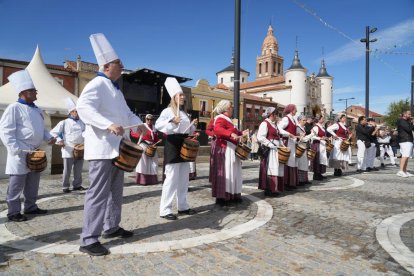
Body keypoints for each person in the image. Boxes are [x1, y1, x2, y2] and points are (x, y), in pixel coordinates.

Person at [76, 33, 143, 256]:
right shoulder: (96, 84)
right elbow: (84, 108)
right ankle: (88, 239)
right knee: (97, 193)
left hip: (117, 149)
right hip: (102, 149)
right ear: (106, 66)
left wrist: (139, 125)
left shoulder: (115, 89)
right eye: (118, 63)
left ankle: (111, 227)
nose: (122, 66)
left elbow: (126, 114)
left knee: (115, 192)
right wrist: (107, 124)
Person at [0, 70, 56, 222]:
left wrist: (49, 137)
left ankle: (31, 207)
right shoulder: (13, 108)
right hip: (20, 151)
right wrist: (14, 148)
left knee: (33, 181)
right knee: (17, 183)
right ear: (24, 92)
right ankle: (13, 212)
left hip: (35, 150)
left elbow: (41, 129)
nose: (36, 92)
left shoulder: (37, 109)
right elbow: (5, 130)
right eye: (33, 90)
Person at [155, 77, 198, 220]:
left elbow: (188, 131)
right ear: (174, 97)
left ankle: (183, 206)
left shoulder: (185, 113)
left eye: (183, 95)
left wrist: (193, 126)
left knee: (184, 178)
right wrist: (172, 121)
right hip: (173, 144)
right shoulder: (168, 111)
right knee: (171, 178)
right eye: (180, 95)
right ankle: (165, 210)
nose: (182, 97)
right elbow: (158, 125)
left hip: (184, 144)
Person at [211, 100, 249, 206]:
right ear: (227, 108)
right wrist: (231, 134)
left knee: (234, 172)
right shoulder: (220, 118)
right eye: (231, 106)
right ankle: (223, 197)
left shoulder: (229, 120)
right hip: (225, 148)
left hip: (233, 148)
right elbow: (217, 129)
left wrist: (242, 133)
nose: (232, 108)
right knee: (227, 172)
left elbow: (236, 133)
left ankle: (233, 195)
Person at [50, 98, 86, 193]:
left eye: (77, 111)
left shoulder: (83, 122)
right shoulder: (64, 122)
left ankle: (77, 185)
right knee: (67, 169)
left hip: (80, 148)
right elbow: (53, 133)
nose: (77, 113)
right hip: (68, 148)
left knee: (78, 169)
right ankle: (65, 186)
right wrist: (59, 140)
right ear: (70, 112)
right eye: (75, 111)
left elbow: (86, 133)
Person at [257, 107, 284, 196]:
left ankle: (275, 188)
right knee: (270, 169)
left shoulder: (275, 124)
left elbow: (278, 136)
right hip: (269, 150)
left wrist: (282, 144)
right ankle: (269, 189)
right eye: (275, 114)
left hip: (276, 149)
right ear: (271, 114)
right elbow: (260, 137)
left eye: (277, 114)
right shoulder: (265, 124)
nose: (276, 116)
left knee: (276, 168)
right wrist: (270, 144)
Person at [130, 114, 160, 185]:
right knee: (143, 163)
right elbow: (133, 133)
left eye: (151, 119)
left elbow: (155, 139)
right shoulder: (142, 126)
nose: (149, 121)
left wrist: (157, 141)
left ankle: (152, 180)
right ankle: (142, 180)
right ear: (145, 119)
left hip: (151, 146)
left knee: (154, 162)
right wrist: (137, 132)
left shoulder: (154, 128)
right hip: (143, 145)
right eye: (148, 119)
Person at [277, 104, 299, 190]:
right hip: (287, 142)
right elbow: (279, 128)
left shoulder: (293, 119)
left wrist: (297, 134)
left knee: (291, 160)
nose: (296, 111)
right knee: (287, 161)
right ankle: (286, 183)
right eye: (295, 109)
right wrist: (288, 134)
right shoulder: (286, 118)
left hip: (292, 142)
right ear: (291, 110)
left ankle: (290, 182)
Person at [296, 114, 313, 185]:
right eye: (304, 120)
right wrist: (311, 135)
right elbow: (302, 139)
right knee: (300, 163)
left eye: (305, 120)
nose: (305, 122)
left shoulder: (303, 128)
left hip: (304, 147)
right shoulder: (297, 128)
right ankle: (300, 180)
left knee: (304, 163)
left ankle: (304, 179)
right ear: (299, 121)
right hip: (299, 147)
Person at [310, 115, 329, 180]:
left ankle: (320, 173)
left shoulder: (322, 127)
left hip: (322, 145)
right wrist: (320, 138)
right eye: (322, 118)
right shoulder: (316, 127)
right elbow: (312, 136)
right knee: (317, 159)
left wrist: (325, 138)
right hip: (317, 145)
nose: (323, 119)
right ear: (319, 119)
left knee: (322, 159)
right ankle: (316, 174)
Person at [396, 110, 414, 177]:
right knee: (405, 156)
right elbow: (409, 129)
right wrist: (412, 124)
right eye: (409, 114)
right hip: (405, 140)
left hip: (408, 140)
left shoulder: (406, 122)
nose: (410, 115)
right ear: (404, 114)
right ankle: (401, 171)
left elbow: (412, 129)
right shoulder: (401, 121)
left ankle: (404, 171)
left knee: (406, 156)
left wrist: (412, 123)